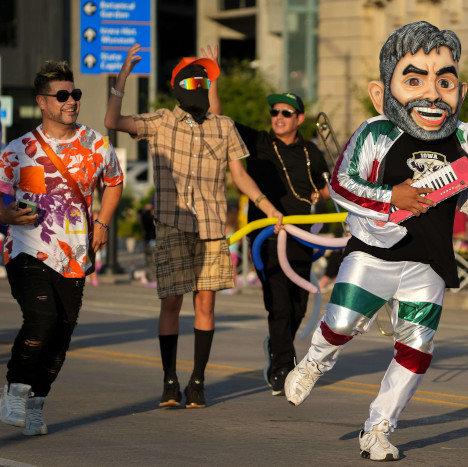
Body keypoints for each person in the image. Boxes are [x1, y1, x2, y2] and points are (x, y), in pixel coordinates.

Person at [282, 22, 468, 461]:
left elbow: (464, 200)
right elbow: (341, 186)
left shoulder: (464, 137)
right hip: (375, 250)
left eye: (445, 81)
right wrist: (391, 196)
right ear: (382, 92)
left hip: (430, 259)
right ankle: (315, 361)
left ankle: (378, 428)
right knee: (341, 323)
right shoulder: (375, 132)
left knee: (417, 349)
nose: (433, 93)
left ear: (462, 89)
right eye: (414, 79)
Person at [104, 44, 282, 409]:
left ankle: (197, 381)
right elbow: (113, 122)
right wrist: (121, 79)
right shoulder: (160, 122)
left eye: (204, 83)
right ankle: (170, 380)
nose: (199, 89)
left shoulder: (223, 127)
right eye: (193, 83)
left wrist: (266, 206)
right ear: (179, 88)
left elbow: (239, 176)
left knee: (206, 304)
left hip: (212, 227)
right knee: (171, 302)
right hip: (172, 223)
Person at [0, 60, 123, 435]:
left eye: (76, 94)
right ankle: (15, 388)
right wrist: (5, 214)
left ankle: (37, 404)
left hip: (75, 253)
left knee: (62, 334)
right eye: (63, 96)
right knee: (42, 318)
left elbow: (114, 182)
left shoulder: (97, 144)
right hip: (26, 248)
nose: (72, 102)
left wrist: (102, 222)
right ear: (42, 101)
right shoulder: (18, 150)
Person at [203, 49, 331, 396]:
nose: (278, 116)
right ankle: (283, 369)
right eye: (274, 111)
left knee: (298, 304)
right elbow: (217, 118)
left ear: (299, 118)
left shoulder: (312, 153)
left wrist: (323, 195)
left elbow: (326, 188)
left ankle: (277, 349)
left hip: (303, 234)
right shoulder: (258, 141)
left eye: (286, 112)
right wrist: (215, 80)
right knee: (278, 302)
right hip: (266, 234)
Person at [138, 195, 156, 286]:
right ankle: (151, 278)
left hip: (151, 241)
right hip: (150, 241)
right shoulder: (148, 216)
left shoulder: (150, 216)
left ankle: (151, 278)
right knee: (150, 261)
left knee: (151, 261)